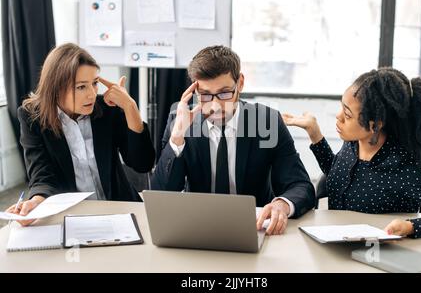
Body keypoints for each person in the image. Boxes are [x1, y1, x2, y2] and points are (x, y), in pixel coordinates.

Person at [151, 45, 315, 235]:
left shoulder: (267, 121)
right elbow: (160, 195)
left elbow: (300, 185)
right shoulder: (180, 121)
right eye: (205, 95)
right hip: (197, 227)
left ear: (240, 83)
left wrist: (282, 204)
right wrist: (178, 136)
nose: (216, 105)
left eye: (224, 93)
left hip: (255, 227)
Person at [282, 67, 421, 238]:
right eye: (342, 108)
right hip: (336, 247)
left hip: (376, 256)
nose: (338, 117)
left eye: (347, 115)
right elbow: (335, 174)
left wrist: (410, 227)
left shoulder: (405, 167)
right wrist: (314, 132)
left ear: (375, 124)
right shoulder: (352, 144)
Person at [6, 43, 155, 226]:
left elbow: (143, 163)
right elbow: (42, 173)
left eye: (94, 84)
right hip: (70, 217)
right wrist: (36, 202)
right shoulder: (32, 117)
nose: (92, 94)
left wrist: (130, 108)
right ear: (56, 87)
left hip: (119, 209)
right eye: (81, 87)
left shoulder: (107, 110)